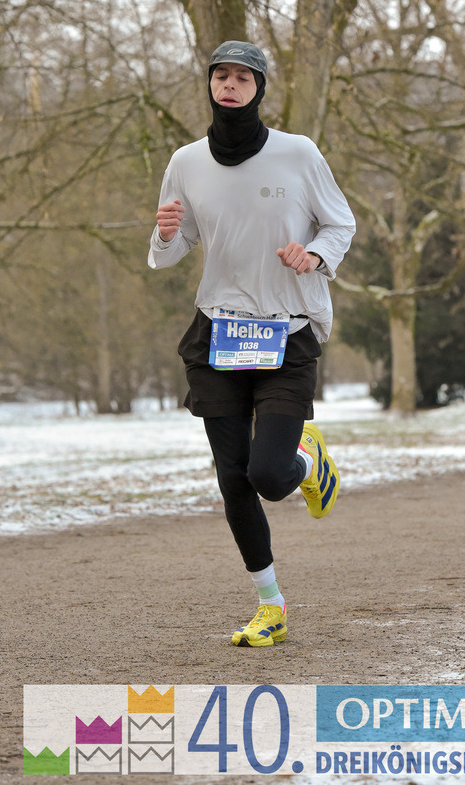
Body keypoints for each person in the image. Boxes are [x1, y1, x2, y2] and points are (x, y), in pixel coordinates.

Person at [148, 40, 356, 647]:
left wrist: (315, 254)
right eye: (222, 76)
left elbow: (340, 220)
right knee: (233, 477)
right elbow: (171, 249)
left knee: (268, 474)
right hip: (218, 333)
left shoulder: (297, 153)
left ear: (260, 86)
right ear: (210, 84)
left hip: (287, 331)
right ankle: (270, 604)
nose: (231, 86)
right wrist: (163, 234)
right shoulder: (186, 161)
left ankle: (306, 462)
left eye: (243, 76)